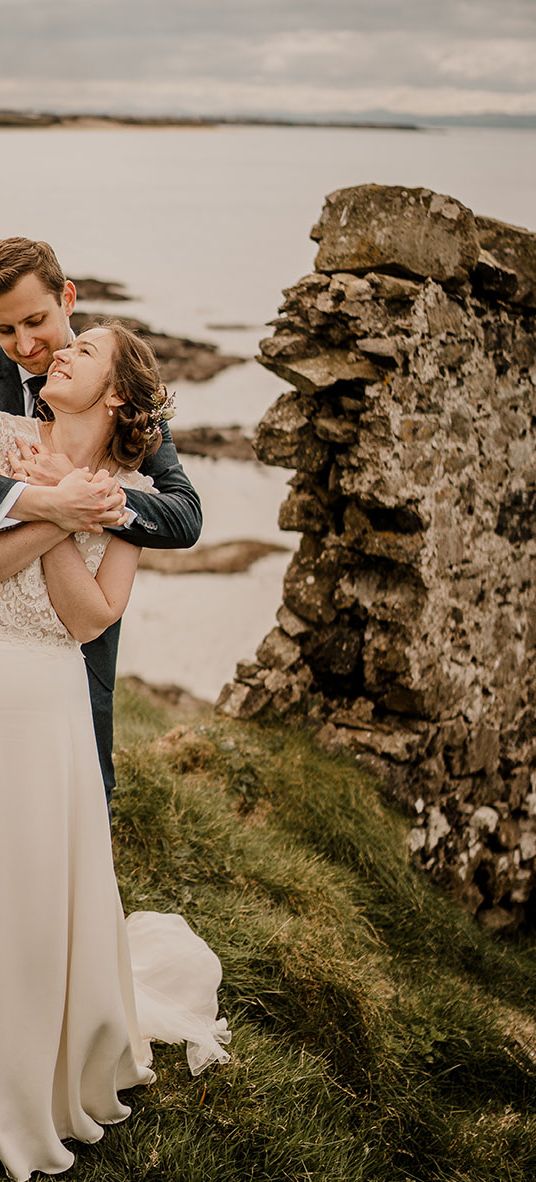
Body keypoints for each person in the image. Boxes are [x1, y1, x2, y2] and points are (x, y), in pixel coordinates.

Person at [0, 319, 230, 1182]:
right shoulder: (2, 437)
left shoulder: (132, 493)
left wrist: (68, 502)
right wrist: (54, 501)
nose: (52, 351)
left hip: (49, 707)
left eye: (80, 349)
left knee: (30, 886)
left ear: (121, 396)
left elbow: (93, 617)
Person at [0, 237, 202, 804]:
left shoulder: (122, 394)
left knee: (76, 812)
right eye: (5, 331)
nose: (25, 345)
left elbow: (184, 515)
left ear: (67, 299)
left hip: (72, 664)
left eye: (36, 321)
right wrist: (51, 502)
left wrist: (92, 495)